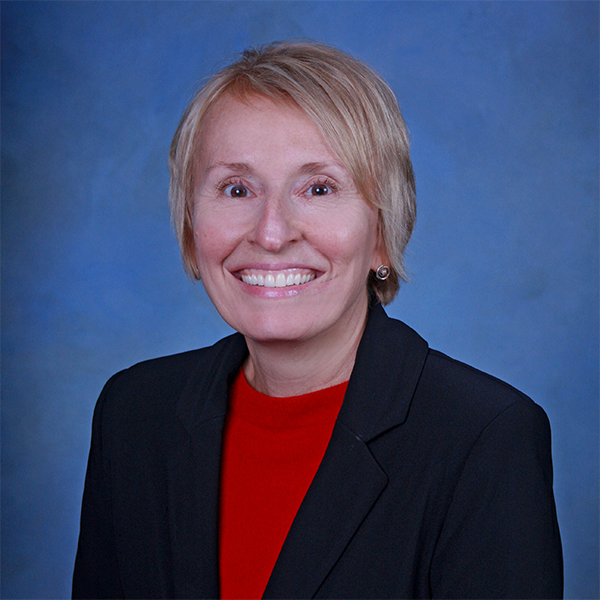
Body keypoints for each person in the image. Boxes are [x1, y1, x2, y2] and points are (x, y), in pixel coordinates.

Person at [72, 41, 563, 599]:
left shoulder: (485, 437)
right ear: (191, 229)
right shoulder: (134, 414)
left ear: (381, 231)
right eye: (237, 189)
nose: (272, 232)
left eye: (319, 188)